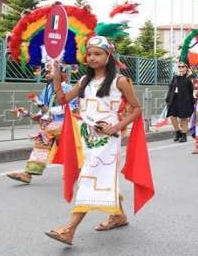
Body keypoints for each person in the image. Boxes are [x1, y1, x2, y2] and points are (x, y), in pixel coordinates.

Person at [45, 36, 152, 246]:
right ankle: (119, 215)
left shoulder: (119, 81)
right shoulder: (84, 81)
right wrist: (57, 77)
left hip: (107, 139)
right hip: (87, 137)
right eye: (90, 53)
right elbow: (63, 100)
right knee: (103, 176)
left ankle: (69, 229)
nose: (92, 57)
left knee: (90, 177)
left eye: (97, 54)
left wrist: (116, 127)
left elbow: (137, 109)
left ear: (108, 56)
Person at [6, 66, 76, 183]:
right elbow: (42, 111)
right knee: (41, 147)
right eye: (46, 72)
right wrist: (25, 113)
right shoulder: (47, 89)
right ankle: (28, 174)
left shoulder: (68, 89)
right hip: (49, 126)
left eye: (50, 72)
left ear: (60, 74)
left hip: (65, 125)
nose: (46, 74)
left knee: (67, 150)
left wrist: (47, 109)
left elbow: (71, 107)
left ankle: (74, 172)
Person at [165, 61, 194, 143]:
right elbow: (171, 88)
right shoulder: (175, 77)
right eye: (179, 67)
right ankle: (177, 132)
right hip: (174, 99)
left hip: (185, 100)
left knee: (183, 117)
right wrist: (168, 98)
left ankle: (184, 135)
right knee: (172, 116)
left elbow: (191, 90)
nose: (181, 68)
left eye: (182, 67)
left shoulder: (189, 77)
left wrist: (193, 101)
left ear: (186, 68)